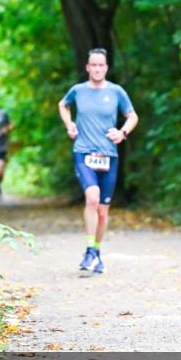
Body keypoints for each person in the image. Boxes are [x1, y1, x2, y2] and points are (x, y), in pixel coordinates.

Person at [59, 48, 139, 274]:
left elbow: (132, 116)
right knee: (92, 198)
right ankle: (89, 250)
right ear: (87, 67)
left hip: (108, 156)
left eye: (100, 65)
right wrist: (69, 125)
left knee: (103, 211)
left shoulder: (116, 91)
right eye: (93, 65)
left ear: (106, 67)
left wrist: (122, 133)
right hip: (83, 152)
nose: (96, 69)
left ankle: (96, 251)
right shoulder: (78, 91)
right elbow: (63, 105)